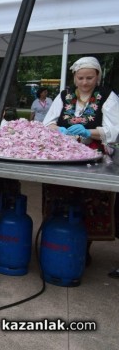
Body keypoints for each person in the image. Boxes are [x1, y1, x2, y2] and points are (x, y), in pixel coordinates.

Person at [42, 56, 119, 267]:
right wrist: (61, 130)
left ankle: (84, 246)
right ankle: (56, 240)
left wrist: (89, 131)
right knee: (60, 197)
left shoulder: (106, 96)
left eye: (90, 78)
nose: (85, 82)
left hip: (93, 157)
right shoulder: (64, 95)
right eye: (81, 78)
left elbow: (115, 129)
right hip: (62, 156)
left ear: (97, 77)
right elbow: (47, 123)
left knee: (90, 201)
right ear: (74, 78)